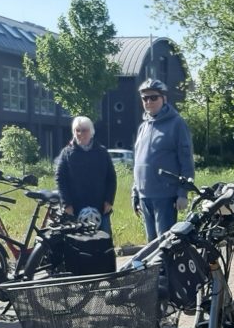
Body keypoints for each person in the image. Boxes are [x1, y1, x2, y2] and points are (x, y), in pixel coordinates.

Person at [131, 78, 195, 241]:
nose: (149, 102)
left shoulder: (177, 123)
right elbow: (138, 163)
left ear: (164, 99)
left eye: (153, 97)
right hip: (145, 196)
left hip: (165, 195)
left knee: (165, 244)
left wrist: (183, 193)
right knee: (151, 244)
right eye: (145, 98)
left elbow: (186, 161)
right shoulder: (143, 127)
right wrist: (135, 194)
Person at [54, 115, 116, 236]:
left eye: (84, 130)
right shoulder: (66, 153)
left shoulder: (102, 152)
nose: (80, 134)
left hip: (100, 208)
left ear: (91, 132)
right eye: (77, 130)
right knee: (77, 243)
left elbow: (111, 178)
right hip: (75, 209)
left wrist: (109, 200)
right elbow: (60, 179)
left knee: (104, 241)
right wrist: (67, 204)